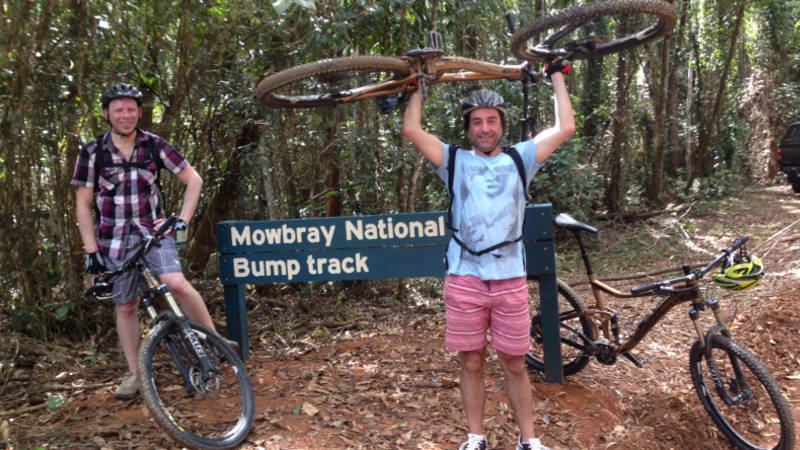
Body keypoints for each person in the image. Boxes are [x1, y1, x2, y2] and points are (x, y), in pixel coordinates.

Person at [402, 61, 574, 450]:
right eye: (477, 121)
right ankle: (475, 436)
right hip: (465, 276)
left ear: (501, 124)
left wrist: (557, 74)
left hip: (510, 277)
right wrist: (417, 86)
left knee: (515, 362)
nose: (484, 128)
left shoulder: (520, 159)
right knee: (472, 362)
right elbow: (412, 130)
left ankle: (529, 440)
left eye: (491, 120)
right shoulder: (455, 161)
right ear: (467, 128)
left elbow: (565, 128)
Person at [72, 83, 226, 400]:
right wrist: (91, 252)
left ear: (140, 113)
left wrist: (183, 218)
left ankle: (213, 345)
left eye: (131, 109)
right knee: (126, 305)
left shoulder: (154, 145)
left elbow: (193, 179)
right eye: (118, 110)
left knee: (176, 283)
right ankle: (135, 373)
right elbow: (82, 205)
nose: (125, 115)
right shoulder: (92, 152)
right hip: (112, 239)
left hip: (152, 232)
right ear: (107, 114)